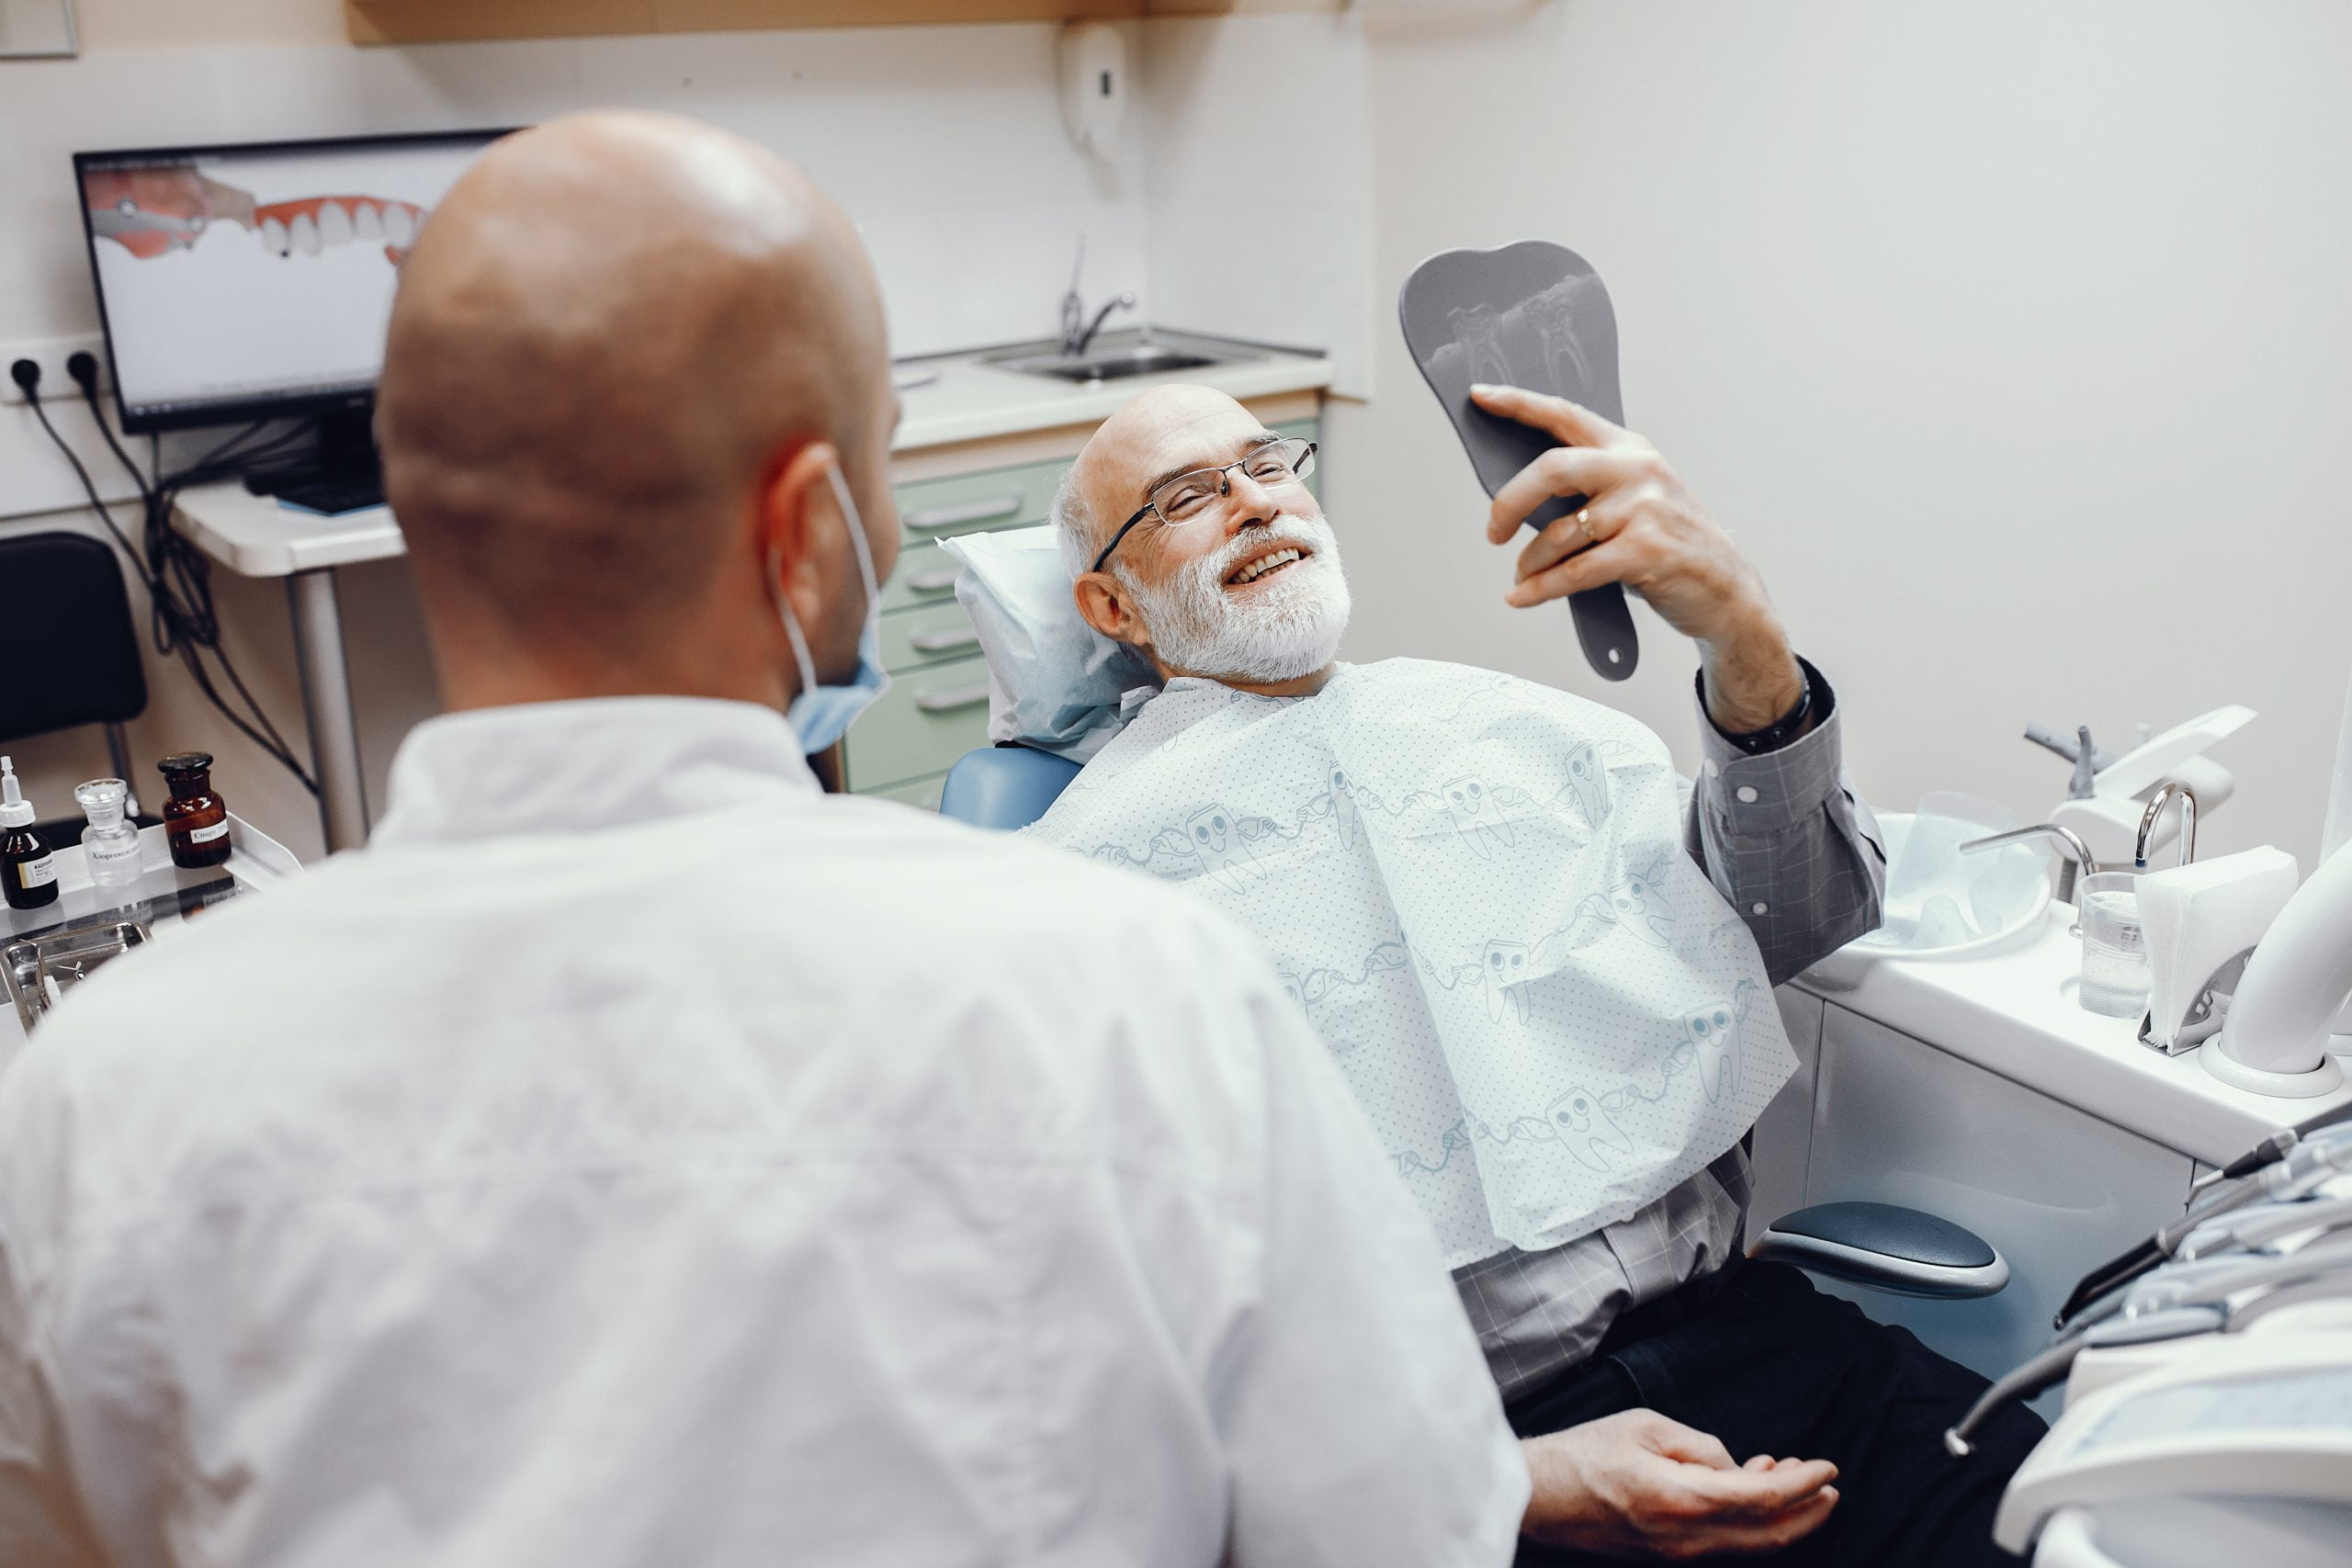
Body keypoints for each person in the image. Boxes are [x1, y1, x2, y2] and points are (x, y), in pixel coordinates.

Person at [0, 115, 1529, 1567]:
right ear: (805, 534)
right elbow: (1401, 1528)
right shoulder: (1134, 993)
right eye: (885, 458)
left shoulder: (94, 1101)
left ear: (425, 504)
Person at [1026, 382, 2048, 1564]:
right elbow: (1104, 1377)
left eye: (1268, 465)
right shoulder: (1075, 901)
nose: (1254, 504)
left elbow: (1805, 915)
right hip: (1450, 1457)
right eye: (1187, 498)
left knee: (2075, 1522)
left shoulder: (1514, 732)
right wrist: (1507, 1484)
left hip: (1767, 1354)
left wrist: (1741, 635)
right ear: (1113, 603)